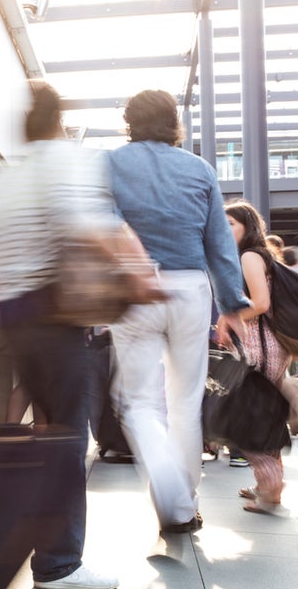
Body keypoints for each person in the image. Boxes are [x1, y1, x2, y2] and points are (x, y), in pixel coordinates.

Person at [0, 79, 123, 589]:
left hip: (12, 319)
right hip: (54, 319)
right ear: (59, 119)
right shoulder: (64, 160)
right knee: (67, 436)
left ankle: (21, 548)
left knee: (44, 432)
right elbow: (81, 225)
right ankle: (58, 562)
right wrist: (136, 270)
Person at [107, 89, 250, 534]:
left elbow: (104, 225)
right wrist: (231, 306)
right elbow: (220, 245)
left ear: (129, 122)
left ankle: (166, 489)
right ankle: (185, 507)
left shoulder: (108, 163)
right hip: (191, 289)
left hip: (133, 288)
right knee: (185, 403)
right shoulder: (200, 169)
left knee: (142, 401)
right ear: (174, 125)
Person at [221, 200, 291, 515]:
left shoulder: (249, 256)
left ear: (247, 227)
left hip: (260, 347)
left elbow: (261, 304)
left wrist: (229, 319)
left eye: (230, 224)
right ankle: (267, 486)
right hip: (271, 345)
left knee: (247, 418)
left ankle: (270, 485)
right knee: (265, 416)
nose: (224, 230)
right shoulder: (263, 256)